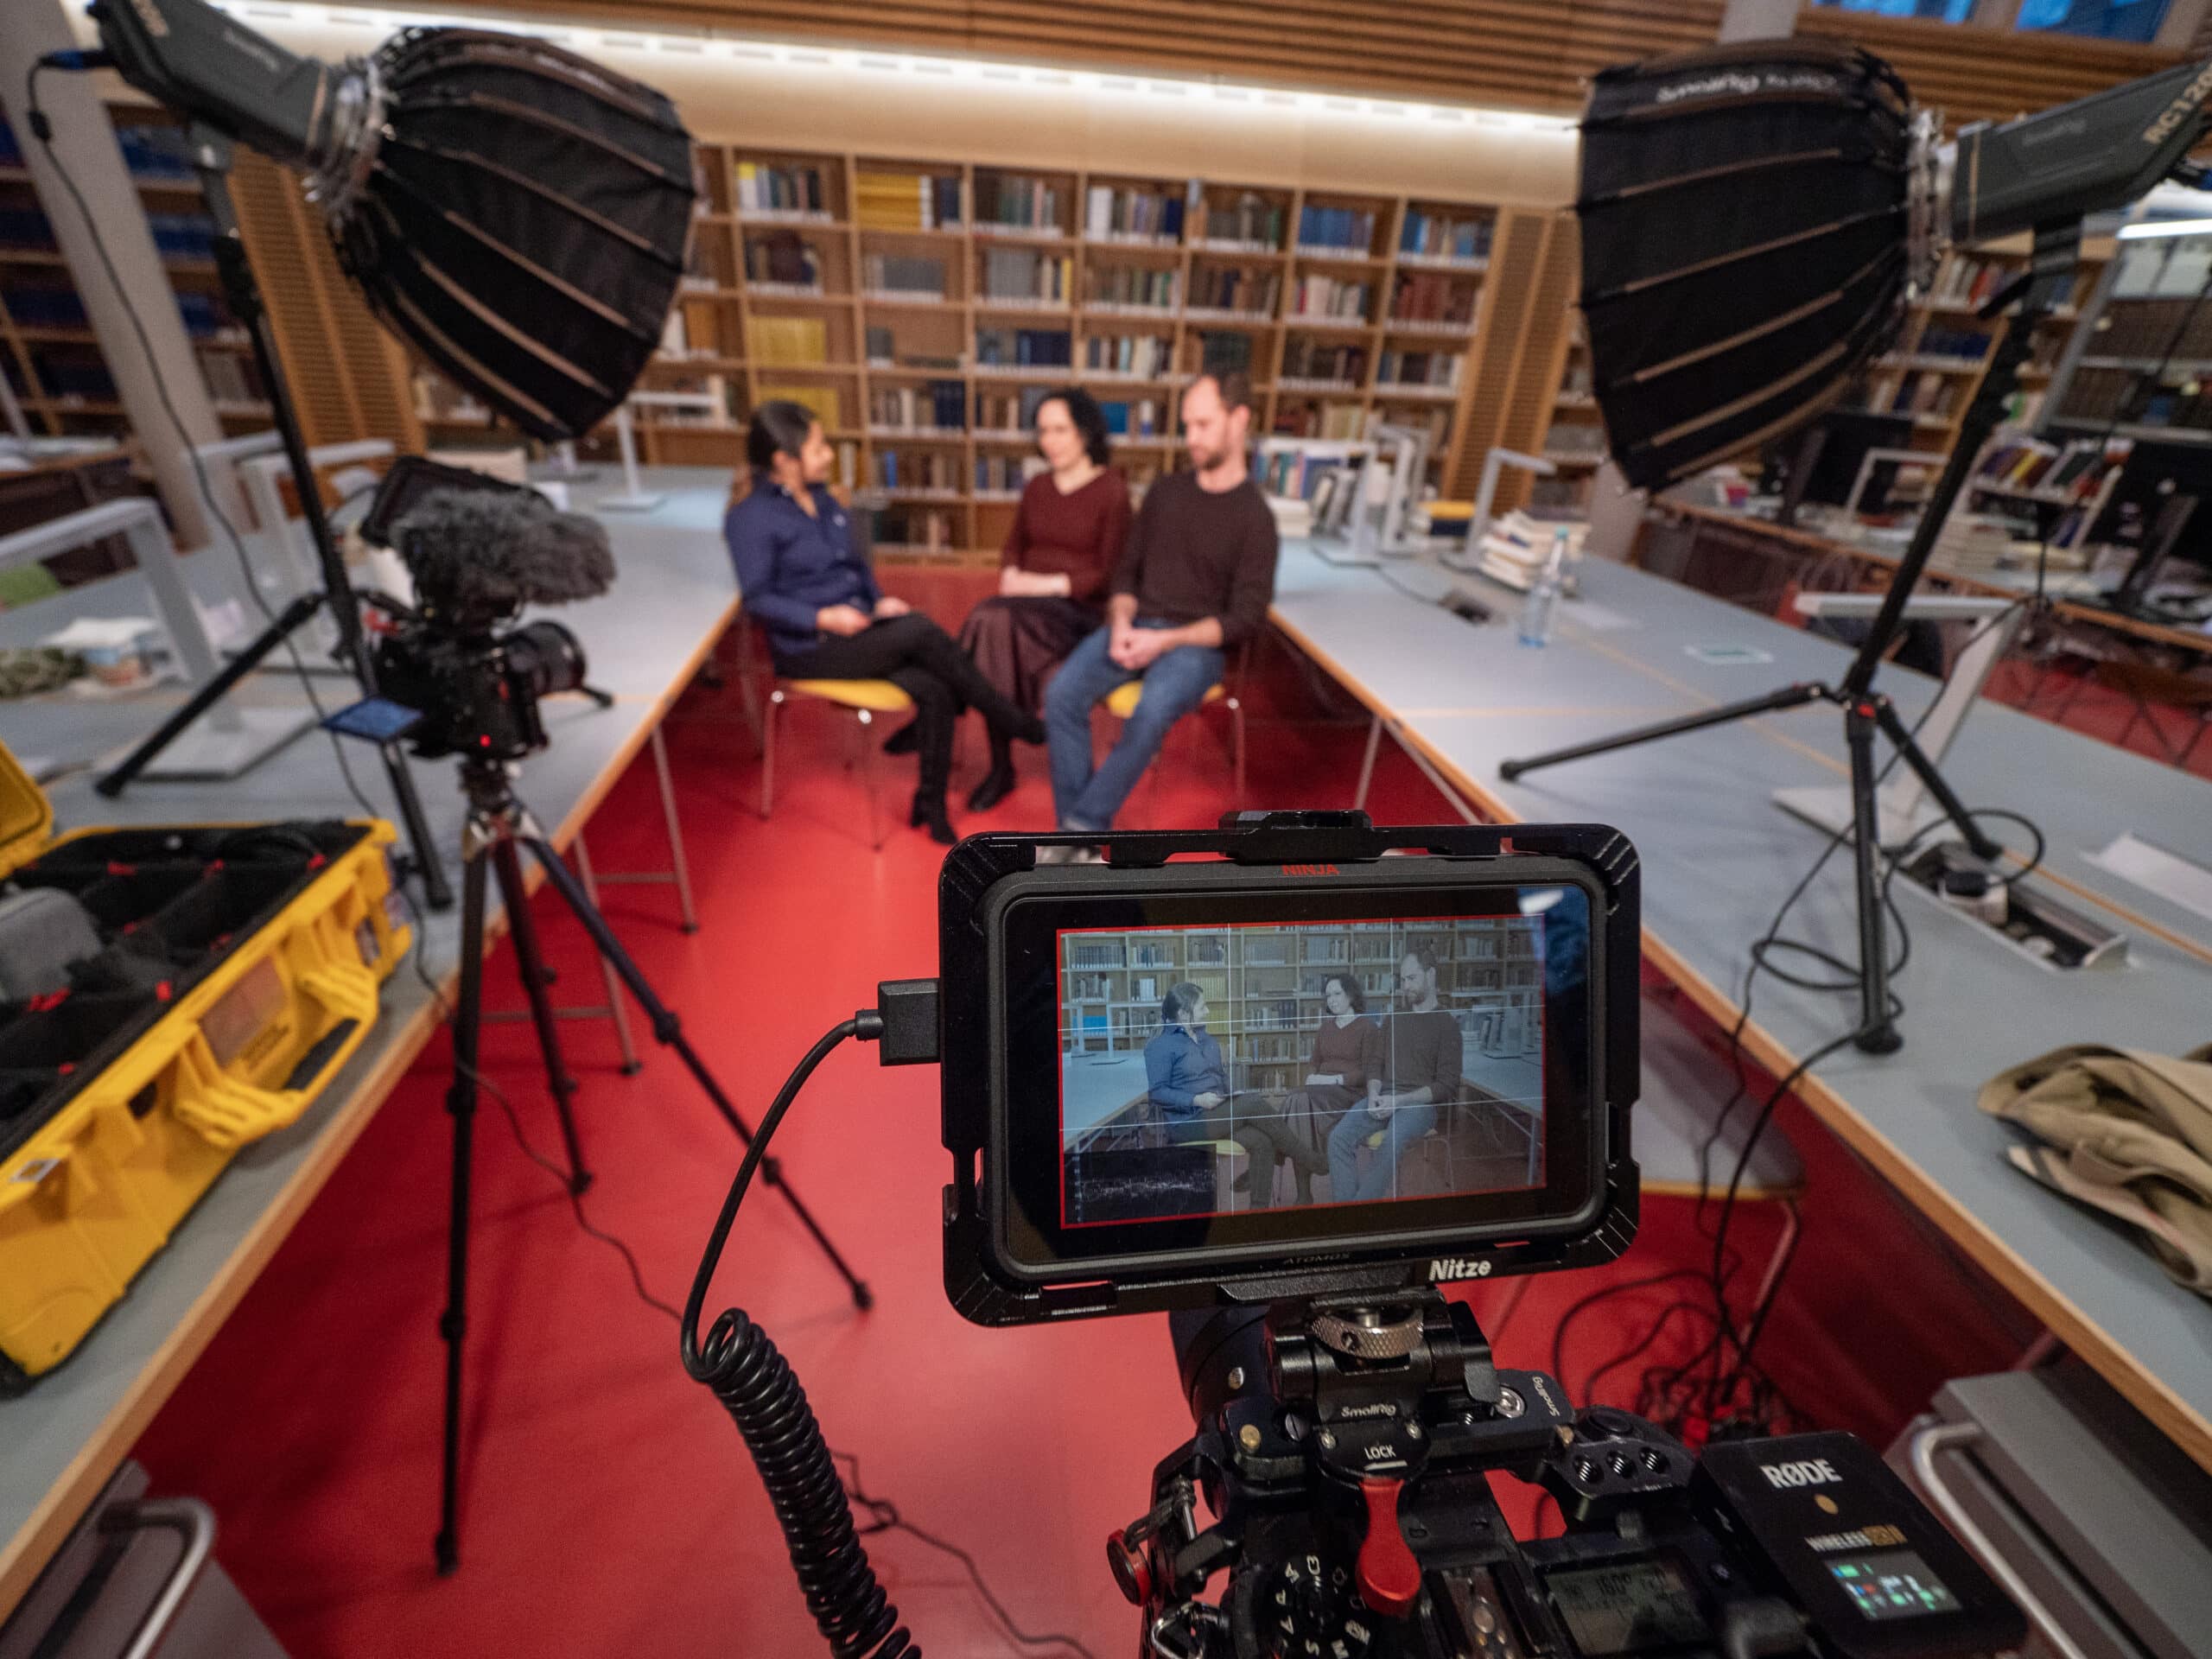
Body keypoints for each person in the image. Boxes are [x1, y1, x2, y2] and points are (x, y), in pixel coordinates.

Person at [725, 402, 1046, 844]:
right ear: (784, 460)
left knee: (933, 686)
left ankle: (929, 804)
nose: (830, 455)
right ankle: (1009, 717)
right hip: (811, 647)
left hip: (863, 629)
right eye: (818, 447)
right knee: (919, 631)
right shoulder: (749, 518)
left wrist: (879, 602)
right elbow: (757, 598)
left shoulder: (825, 499)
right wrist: (824, 616)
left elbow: (856, 568)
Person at [1041, 372, 1277, 847]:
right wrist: (1124, 622)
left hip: (1192, 646)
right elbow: (1126, 574)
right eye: (1187, 425)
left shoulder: (1256, 519)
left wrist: (1164, 641)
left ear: (1239, 420)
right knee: (1061, 695)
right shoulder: (1166, 493)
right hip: (1136, 626)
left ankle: (1079, 832)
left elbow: (1244, 618)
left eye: (1204, 425)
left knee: (1149, 714)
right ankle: (1078, 837)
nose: (1191, 438)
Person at [950, 389, 1129, 812]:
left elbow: (1110, 571)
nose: (1049, 440)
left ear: (1085, 432)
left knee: (989, 622)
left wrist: (1045, 585)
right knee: (994, 627)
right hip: (1023, 609)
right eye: (1043, 430)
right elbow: (1014, 546)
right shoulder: (1037, 487)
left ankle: (995, 757)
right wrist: (1012, 573)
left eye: (1060, 430)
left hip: (1079, 612)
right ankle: (1011, 741)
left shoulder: (1112, 491)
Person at [1144, 982, 1321, 1212]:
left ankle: (1257, 1215)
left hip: (1217, 1111)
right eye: (1202, 1007)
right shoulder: (1161, 1046)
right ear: (1183, 1014)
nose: (1208, 1011)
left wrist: (1231, 1094)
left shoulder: (1207, 1040)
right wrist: (1197, 1100)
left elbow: (1220, 1076)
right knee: (1254, 1103)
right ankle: (1308, 1158)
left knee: (1262, 1140)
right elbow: (1157, 1092)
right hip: (1188, 1122)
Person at [1326, 944, 1463, 1205]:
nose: (1405, 986)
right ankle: (1348, 1212)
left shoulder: (1447, 1024)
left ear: (1431, 975)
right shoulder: (1393, 1017)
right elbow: (1375, 1062)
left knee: (1391, 1142)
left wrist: (1398, 1102)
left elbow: (1447, 1085)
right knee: (1338, 1138)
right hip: (1382, 1097)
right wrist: (1375, 1093)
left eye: (1412, 978)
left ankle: (1358, 1215)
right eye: (1402, 980)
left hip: (1419, 1106)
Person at [1267, 972, 1379, 1206]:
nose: (1332, 1000)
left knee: (1297, 1101)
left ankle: (1298, 1186)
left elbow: (1369, 1071)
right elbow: (1315, 1063)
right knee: (1299, 1103)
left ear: (1351, 995)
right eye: (1328, 995)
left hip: (1349, 1093)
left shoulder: (1367, 1027)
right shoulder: (1325, 1029)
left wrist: (1334, 1080)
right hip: (1318, 1094)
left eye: (1337, 994)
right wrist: (1313, 1077)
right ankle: (1306, 1185)